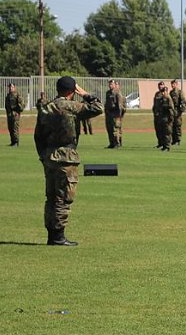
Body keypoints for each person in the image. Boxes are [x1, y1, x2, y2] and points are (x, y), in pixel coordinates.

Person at [34, 76, 103, 246]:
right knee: (64, 197)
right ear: (72, 91)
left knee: (51, 197)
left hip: (50, 155)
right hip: (66, 157)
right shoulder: (71, 106)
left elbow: (38, 135)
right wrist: (85, 93)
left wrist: (43, 155)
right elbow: (98, 108)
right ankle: (58, 236)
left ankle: (52, 234)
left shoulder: (46, 107)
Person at [104, 80, 126, 148]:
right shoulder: (108, 93)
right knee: (109, 129)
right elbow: (107, 103)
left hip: (115, 113)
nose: (110, 86)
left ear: (114, 85)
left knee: (115, 129)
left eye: (111, 84)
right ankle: (111, 143)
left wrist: (119, 115)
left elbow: (119, 105)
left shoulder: (117, 93)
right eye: (109, 84)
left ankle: (117, 143)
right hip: (108, 113)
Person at [155, 83, 176, 151]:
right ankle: (164, 146)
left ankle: (167, 146)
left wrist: (171, 118)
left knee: (167, 133)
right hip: (162, 118)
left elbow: (171, 109)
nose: (163, 93)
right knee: (162, 133)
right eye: (163, 92)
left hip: (167, 118)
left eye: (165, 91)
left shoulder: (168, 99)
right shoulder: (161, 99)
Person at [170, 79, 186, 145]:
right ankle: (174, 140)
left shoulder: (180, 92)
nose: (172, 85)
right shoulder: (171, 92)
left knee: (178, 126)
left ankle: (178, 140)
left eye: (174, 84)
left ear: (176, 84)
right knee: (172, 126)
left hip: (177, 111)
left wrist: (181, 110)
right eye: (172, 84)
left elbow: (183, 101)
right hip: (172, 111)